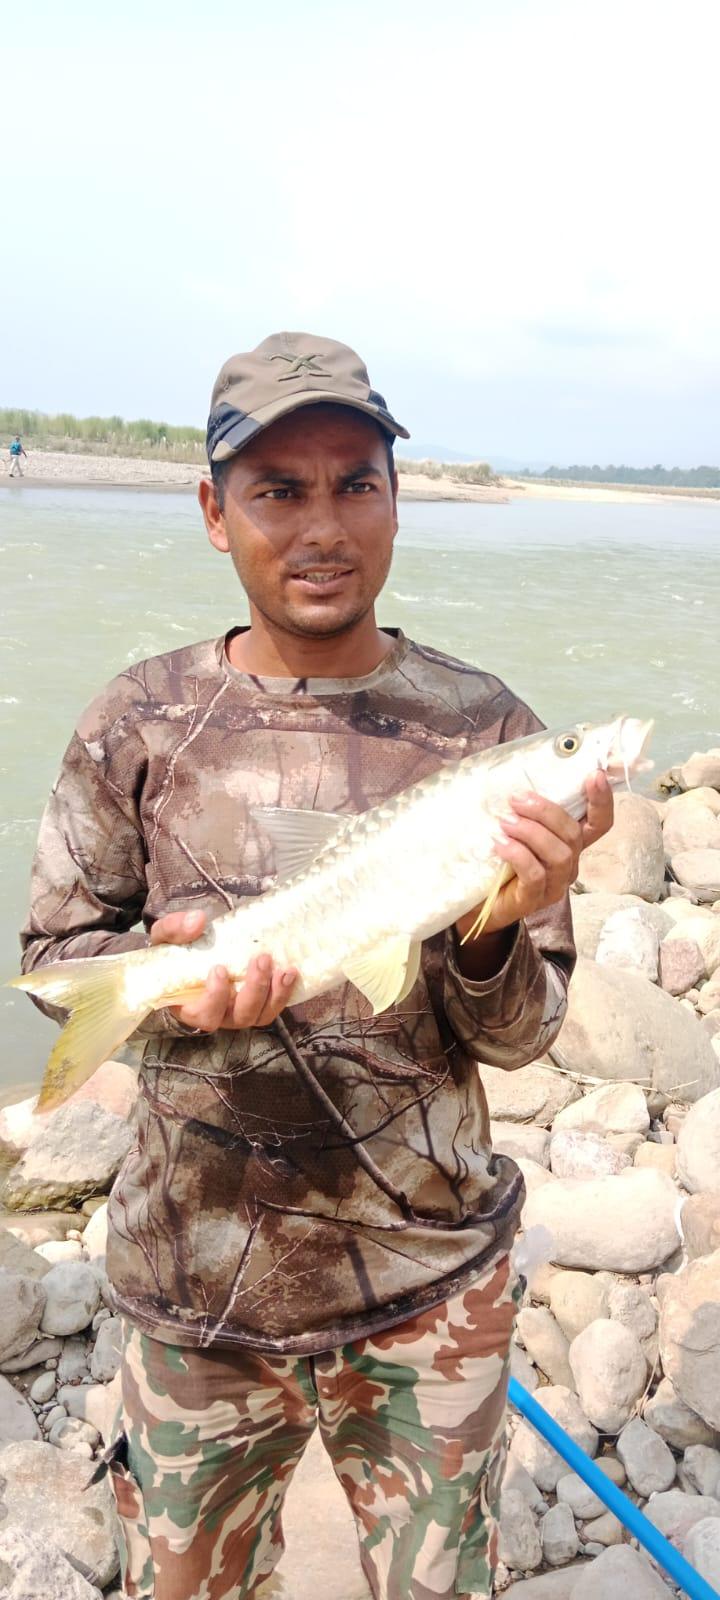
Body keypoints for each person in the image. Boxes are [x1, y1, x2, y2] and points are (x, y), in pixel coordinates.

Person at [20, 332, 613, 1600]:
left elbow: (519, 1037)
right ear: (213, 512)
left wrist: (505, 916)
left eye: (356, 481)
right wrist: (170, 998)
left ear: (398, 496)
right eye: (277, 490)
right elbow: (54, 959)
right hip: (195, 1293)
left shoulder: (489, 731)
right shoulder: (138, 721)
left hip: (431, 1285)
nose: (322, 525)